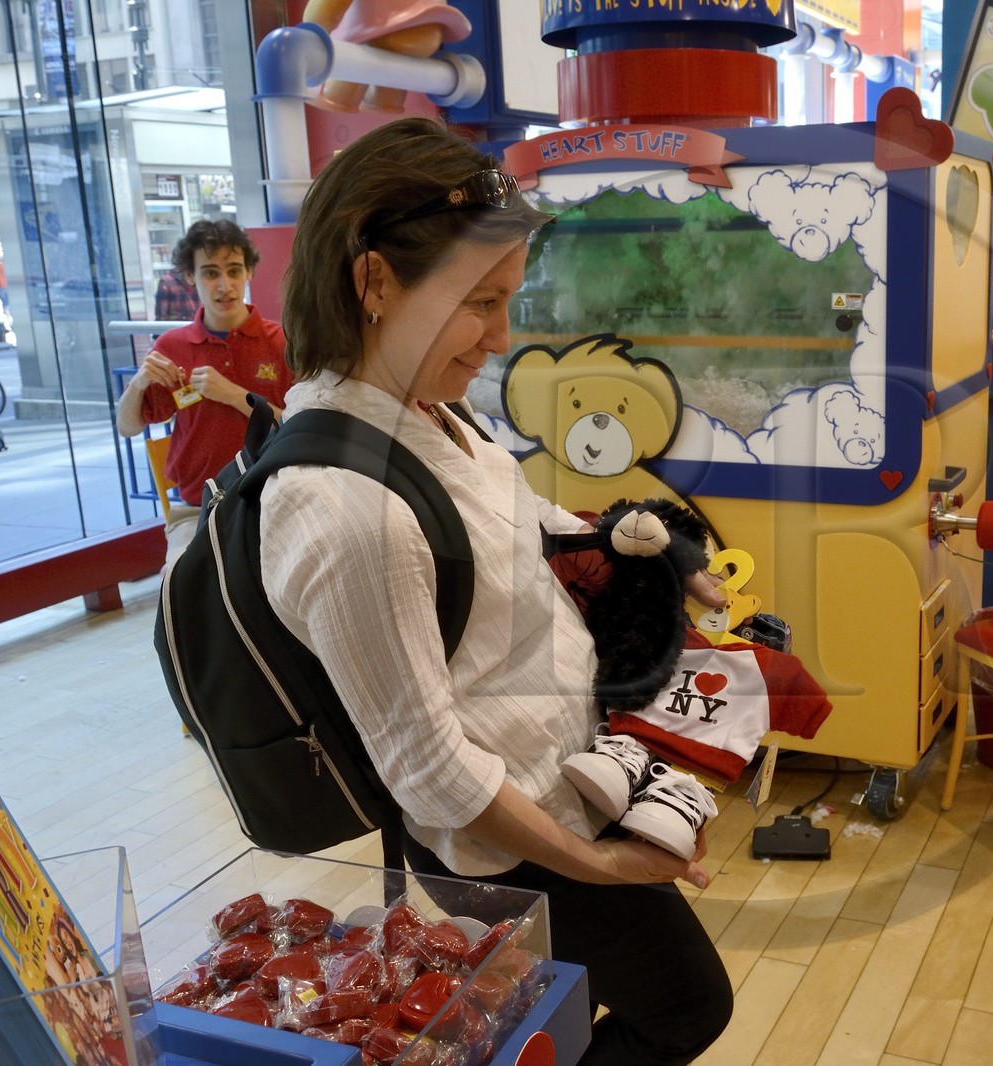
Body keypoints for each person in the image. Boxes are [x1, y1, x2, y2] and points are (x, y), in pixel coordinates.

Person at [258, 116, 733, 1065]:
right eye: (479, 302)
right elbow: (432, 772)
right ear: (375, 281)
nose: (503, 337)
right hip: (513, 845)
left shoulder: (428, 414)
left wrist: (641, 547)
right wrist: (600, 863)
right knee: (686, 1005)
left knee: (551, 1021)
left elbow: (511, 514)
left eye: (509, 298)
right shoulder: (351, 511)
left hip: (559, 779)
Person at [115, 219, 290, 569]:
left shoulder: (281, 342)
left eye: (234, 270)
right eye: (210, 273)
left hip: (274, 500)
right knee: (179, 588)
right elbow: (129, 427)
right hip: (198, 509)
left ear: (249, 273)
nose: (224, 286)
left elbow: (295, 427)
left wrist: (233, 395)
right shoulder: (172, 347)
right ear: (190, 277)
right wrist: (138, 383)